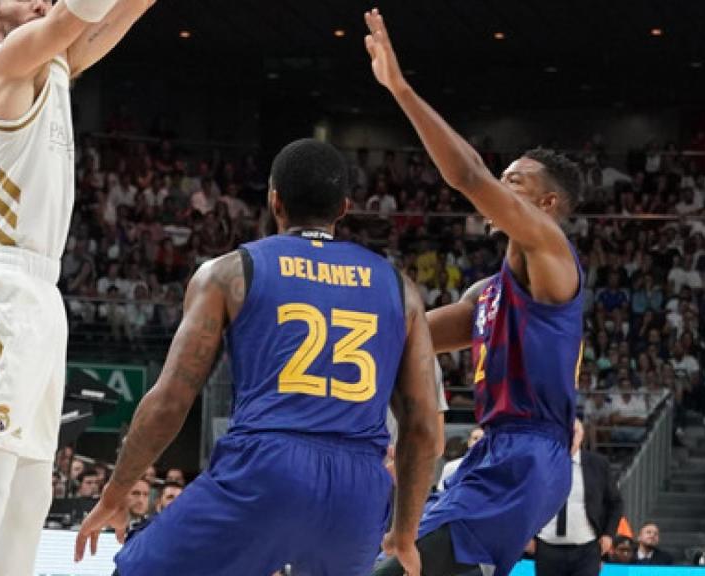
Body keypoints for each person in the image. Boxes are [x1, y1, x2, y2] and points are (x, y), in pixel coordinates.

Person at [76, 138, 440, 575]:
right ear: (344, 208)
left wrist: (115, 494)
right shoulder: (401, 289)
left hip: (268, 467)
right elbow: (422, 428)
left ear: (274, 200)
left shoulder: (230, 272)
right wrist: (404, 531)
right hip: (359, 488)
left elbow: (171, 400)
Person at [0, 0, 155, 574]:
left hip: (39, 291)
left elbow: (112, 18)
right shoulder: (2, 65)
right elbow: (72, 20)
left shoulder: (53, 66)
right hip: (0, 285)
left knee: (32, 495)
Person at [365, 9, 584, 576]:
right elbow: (404, 339)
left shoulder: (554, 253)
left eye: (514, 181)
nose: (498, 187)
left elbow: (467, 177)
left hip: (528, 454)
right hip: (499, 452)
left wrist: (402, 90)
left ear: (546, 205)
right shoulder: (489, 291)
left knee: (398, 568)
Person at [531, 420, 623, 576]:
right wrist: (525, 537)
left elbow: (615, 502)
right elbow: (524, 502)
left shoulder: (598, 464)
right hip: (546, 547)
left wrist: (608, 534)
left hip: (586, 548)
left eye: (574, 432)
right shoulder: (538, 463)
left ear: (581, 435)